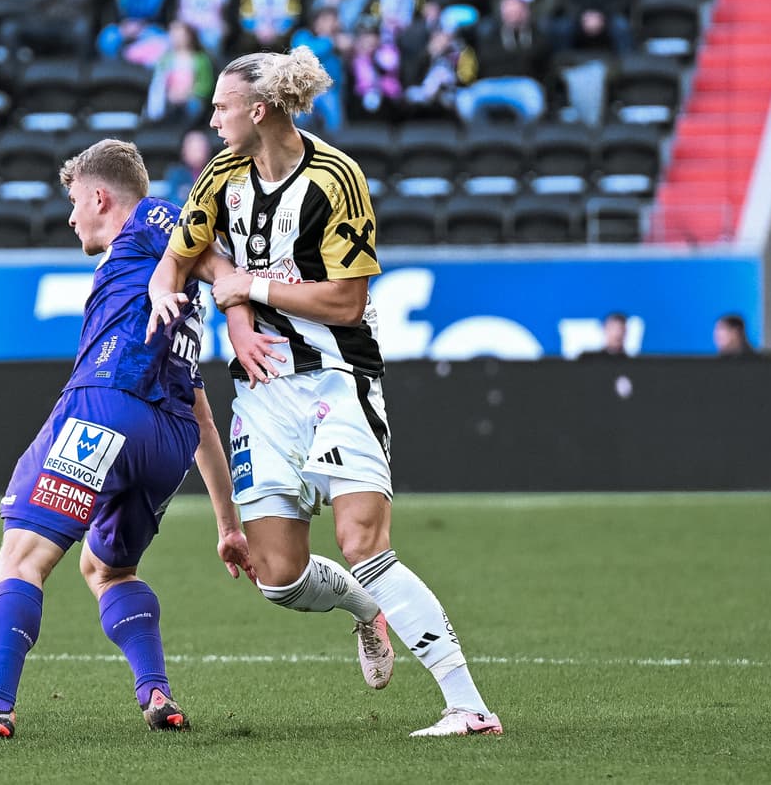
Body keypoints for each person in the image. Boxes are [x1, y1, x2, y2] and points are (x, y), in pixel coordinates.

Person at [145, 47, 504, 737]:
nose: (212, 119)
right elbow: (180, 258)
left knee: (363, 541)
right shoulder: (220, 175)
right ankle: (367, 610)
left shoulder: (336, 177)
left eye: (221, 107)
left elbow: (346, 301)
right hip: (261, 394)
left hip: (339, 379)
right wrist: (184, 297)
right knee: (276, 576)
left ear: (259, 110)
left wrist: (248, 287)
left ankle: (468, 706)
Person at [0, 139, 254, 740]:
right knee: (108, 569)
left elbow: (208, 252)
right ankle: (156, 692)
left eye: (73, 201)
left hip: (105, 410)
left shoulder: (150, 219)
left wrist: (238, 312)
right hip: (169, 441)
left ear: (100, 197)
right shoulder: (170, 293)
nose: (70, 217)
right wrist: (228, 525)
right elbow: (202, 417)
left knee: (20, 558)